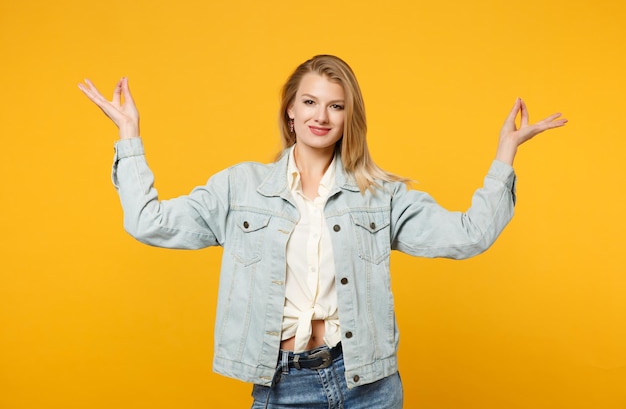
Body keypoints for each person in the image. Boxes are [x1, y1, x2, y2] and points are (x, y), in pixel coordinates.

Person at [78, 54, 567, 408]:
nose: (321, 115)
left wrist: (505, 156)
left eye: (335, 106)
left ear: (348, 117)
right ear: (290, 110)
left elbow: (469, 235)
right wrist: (129, 138)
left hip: (368, 387)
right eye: (309, 101)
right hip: (283, 385)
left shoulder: (380, 195)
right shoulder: (239, 188)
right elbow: (149, 223)